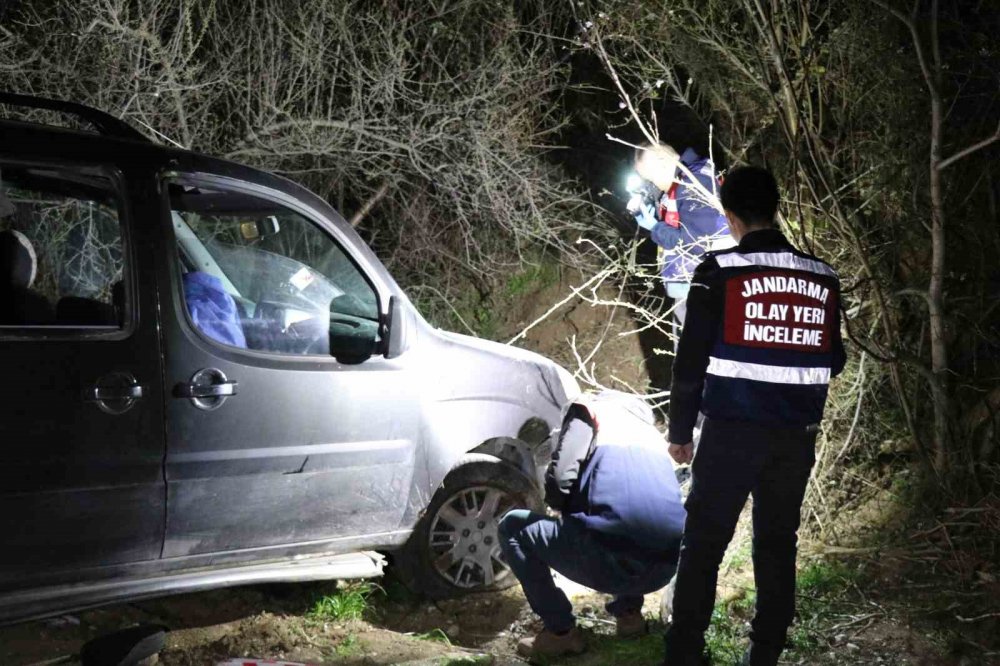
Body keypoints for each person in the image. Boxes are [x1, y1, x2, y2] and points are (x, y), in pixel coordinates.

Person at [661, 166, 847, 666]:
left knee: (703, 544)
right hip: (795, 439)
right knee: (776, 544)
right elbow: (836, 360)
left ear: (729, 216)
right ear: (776, 209)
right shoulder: (823, 277)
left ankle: (683, 652)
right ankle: (764, 653)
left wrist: (680, 433)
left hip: (731, 434)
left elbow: (689, 361)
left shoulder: (719, 271)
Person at [499, 389, 686, 663]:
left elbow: (560, 480)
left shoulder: (587, 411)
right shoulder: (650, 434)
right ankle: (630, 617)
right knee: (620, 513)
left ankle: (560, 632)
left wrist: (560, 508)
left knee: (513, 527)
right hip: (664, 568)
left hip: (604, 563)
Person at [628, 142, 734, 329]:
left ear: (662, 161)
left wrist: (656, 228)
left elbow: (697, 242)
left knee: (696, 353)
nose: (652, 184)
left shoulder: (693, 182)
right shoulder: (684, 180)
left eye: (650, 178)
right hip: (694, 285)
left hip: (705, 288)